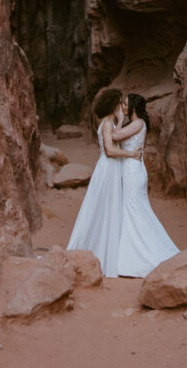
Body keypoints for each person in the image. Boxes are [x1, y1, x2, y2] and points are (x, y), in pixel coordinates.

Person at [66, 87, 141, 277]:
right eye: (119, 103)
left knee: (108, 210)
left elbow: (115, 138)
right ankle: (99, 255)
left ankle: (106, 254)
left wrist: (121, 121)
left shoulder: (109, 122)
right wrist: (131, 153)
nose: (121, 106)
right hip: (108, 168)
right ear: (114, 104)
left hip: (110, 168)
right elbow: (110, 150)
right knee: (104, 209)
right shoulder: (107, 123)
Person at [111, 92, 179, 277]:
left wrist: (117, 120)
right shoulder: (134, 124)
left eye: (125, 105)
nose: (123, 107)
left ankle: (145, 254)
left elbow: (115, 137)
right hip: (130, 168)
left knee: (134, 210)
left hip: (133, 171)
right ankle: (128, 254)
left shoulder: (138, 123)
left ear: (133, 107)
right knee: (132, 209)